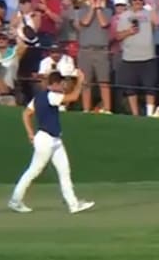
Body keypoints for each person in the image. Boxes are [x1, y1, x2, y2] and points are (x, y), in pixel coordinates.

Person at [8, 70, 95, 215]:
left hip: (54, 139)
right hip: (46, 139)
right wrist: (80, 82)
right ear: (54, 83)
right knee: (33, 171)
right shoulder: (52, 95)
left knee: (64, 171)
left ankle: (73, 204)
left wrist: (30, 133)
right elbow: (73, 97)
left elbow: (26, 114)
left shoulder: (39, 98)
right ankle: (15, 200)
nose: (63, 85)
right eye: (61, 83)